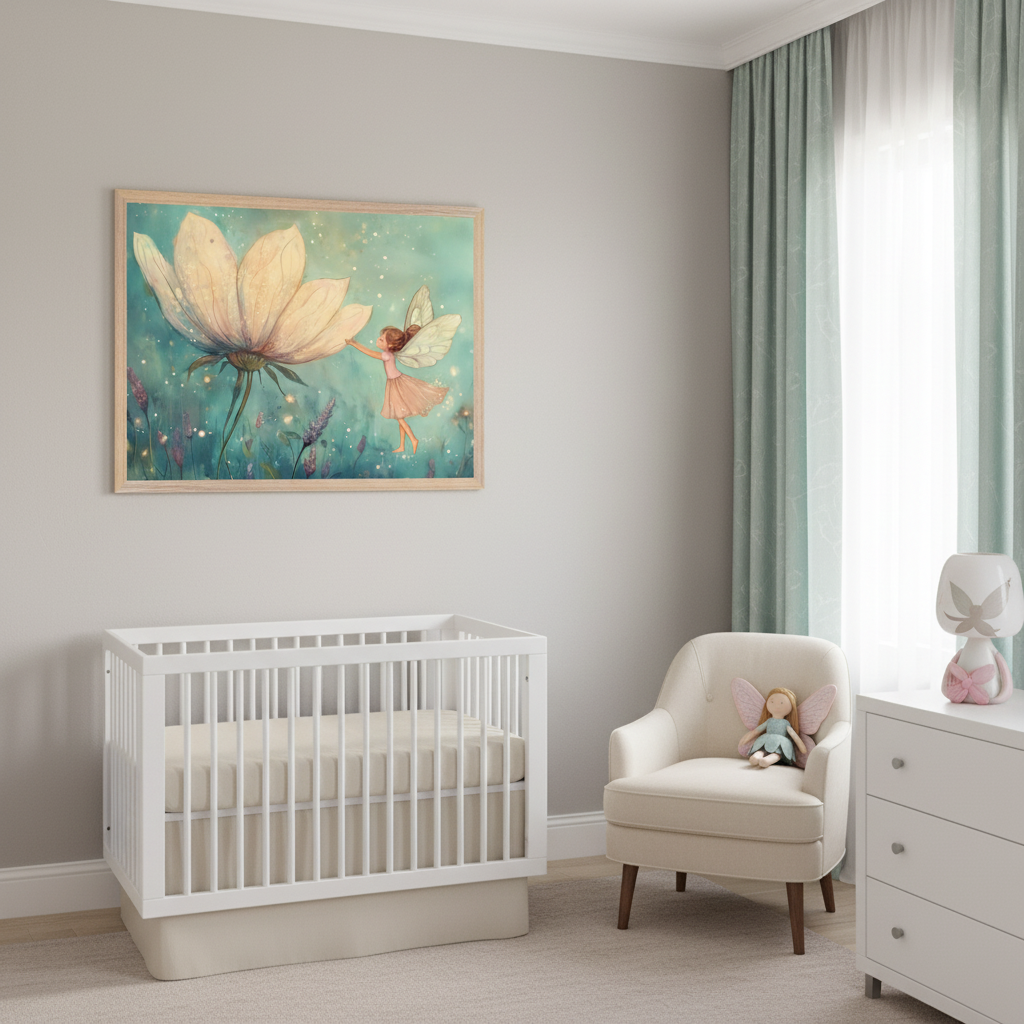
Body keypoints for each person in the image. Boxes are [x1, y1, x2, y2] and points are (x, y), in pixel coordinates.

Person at [345, 325, 449, 454]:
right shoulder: (389, 354)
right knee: (400, 416)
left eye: (382, 339)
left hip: (396, 384)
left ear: (390, 345)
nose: (378, 339)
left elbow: (369, 352)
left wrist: (353, 343)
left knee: (399, 417)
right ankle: (402, 446)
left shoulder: (386, 355)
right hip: (395, 382)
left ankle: (413, 439)